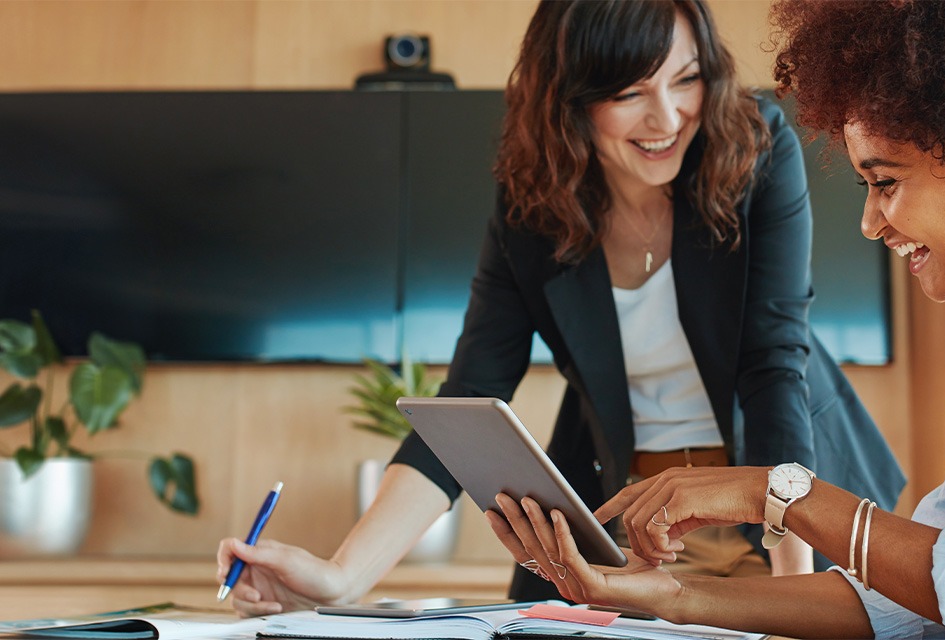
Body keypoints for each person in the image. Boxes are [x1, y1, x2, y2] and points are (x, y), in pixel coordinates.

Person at [216, 0, 903, 616]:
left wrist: (793, 584)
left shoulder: (755, 147)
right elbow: (470, 398)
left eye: (686, 78)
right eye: (630, 91)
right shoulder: (533, 206)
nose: (667, 117)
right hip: (636, 528)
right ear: (570, 99)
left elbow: (771, 362)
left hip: (784, 507)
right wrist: (340, 578)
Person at [487, 1, 945, 638]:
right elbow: (926, 595)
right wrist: (672, 596)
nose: (869, 223)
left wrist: (778, 492)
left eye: (885, 184)